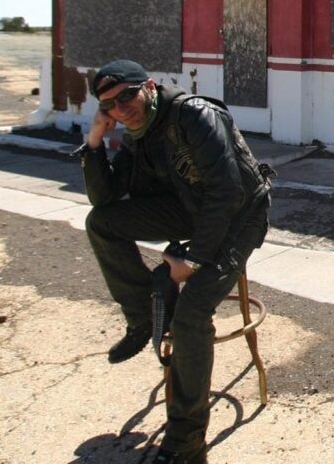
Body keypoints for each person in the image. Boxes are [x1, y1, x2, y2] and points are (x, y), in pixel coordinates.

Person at [76, 59, 271, 464]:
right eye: (109, 105)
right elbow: (105, 199)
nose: (121, 108)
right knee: (101, 223)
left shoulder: (194, 115)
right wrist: (95, 142)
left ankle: (186, 444)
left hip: (238, 215)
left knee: (190, 314)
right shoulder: (136, 131)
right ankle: (142, 316)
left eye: (127, 95)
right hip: (189, 208)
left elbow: (227, 192)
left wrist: (195, 262)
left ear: (148, 86)